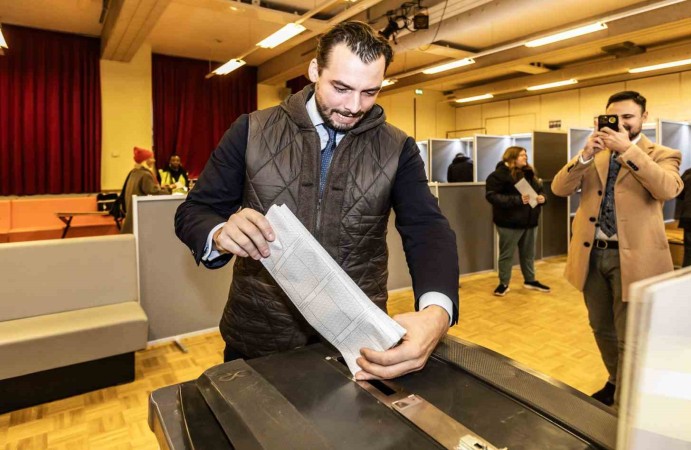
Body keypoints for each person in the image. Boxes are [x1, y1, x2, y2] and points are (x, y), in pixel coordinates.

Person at [175, 21, 459, 381]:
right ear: (314, 71)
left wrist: (437, 311)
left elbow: (427, 228)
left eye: (370, 92)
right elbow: (195, 211)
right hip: (257, 337)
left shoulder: (397, 148)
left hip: (357, 346)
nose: (353, 106)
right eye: (341, 88)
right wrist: (218, 233)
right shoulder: (251, 130)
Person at [551, 91, 683, 406]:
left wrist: (628, 150)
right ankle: (616, 380)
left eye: (628, 117)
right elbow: (559, 188)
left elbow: (668, 189)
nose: (621, 123)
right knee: (601, 327)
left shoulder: (663, 153)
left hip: (635, 258)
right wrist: (585, 155)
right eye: (614, 117)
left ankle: (627, 400)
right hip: (591, 254)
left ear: (644, 118)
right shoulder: (594, 153)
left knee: (630, 336)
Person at [486, 146, 551, 296]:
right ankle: (503, 283)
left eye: (525, 155)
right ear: (512, 157)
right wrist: (517, 200)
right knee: (506, 255)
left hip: (530, 221)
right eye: (522, 155)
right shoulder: (498, 176)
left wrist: (543, 198)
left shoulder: (529, 173)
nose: (525, 157)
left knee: (528, 254)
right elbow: (492, 196)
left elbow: (540, 191)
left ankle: (530, 280)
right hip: (509, 223)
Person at [121, 147, 171, 234]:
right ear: (145, 160)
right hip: (139, 213)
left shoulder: (134, 172)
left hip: (131, 211)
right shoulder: (145, 174)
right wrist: (168, 190)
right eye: (151, 158)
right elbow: (153, 191)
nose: (154, 160)